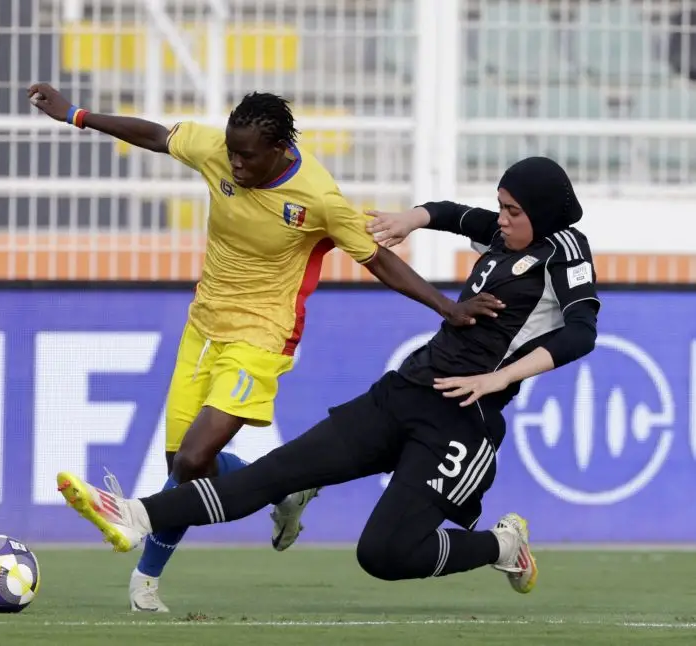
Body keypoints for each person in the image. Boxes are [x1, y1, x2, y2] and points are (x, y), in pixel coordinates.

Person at [29, 84, 504, 611]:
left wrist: (447, 307)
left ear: (278, 149)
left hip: (262, 337)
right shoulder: (218, 151)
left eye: (247, 155)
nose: (234, 162)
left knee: (192, 457)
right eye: (231, 150)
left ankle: (145, 577)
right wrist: (76, 115)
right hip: (202, 327)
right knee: (183, 464)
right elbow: (159, 136)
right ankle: (280, 490)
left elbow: (377, 261)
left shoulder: (319, 197)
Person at [55, 156, 600, 597]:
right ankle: (132, 515)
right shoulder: (509, 236)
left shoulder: (565, 250)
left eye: (511, 211)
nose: (500, 218)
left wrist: (496, 381)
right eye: (501, 207)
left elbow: (580, 334)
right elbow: (460, 215)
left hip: (463, 420)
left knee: (383, 555)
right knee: (275, 473)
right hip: (407, 390)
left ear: (544, 213)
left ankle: (502, 546)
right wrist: (413, 217)